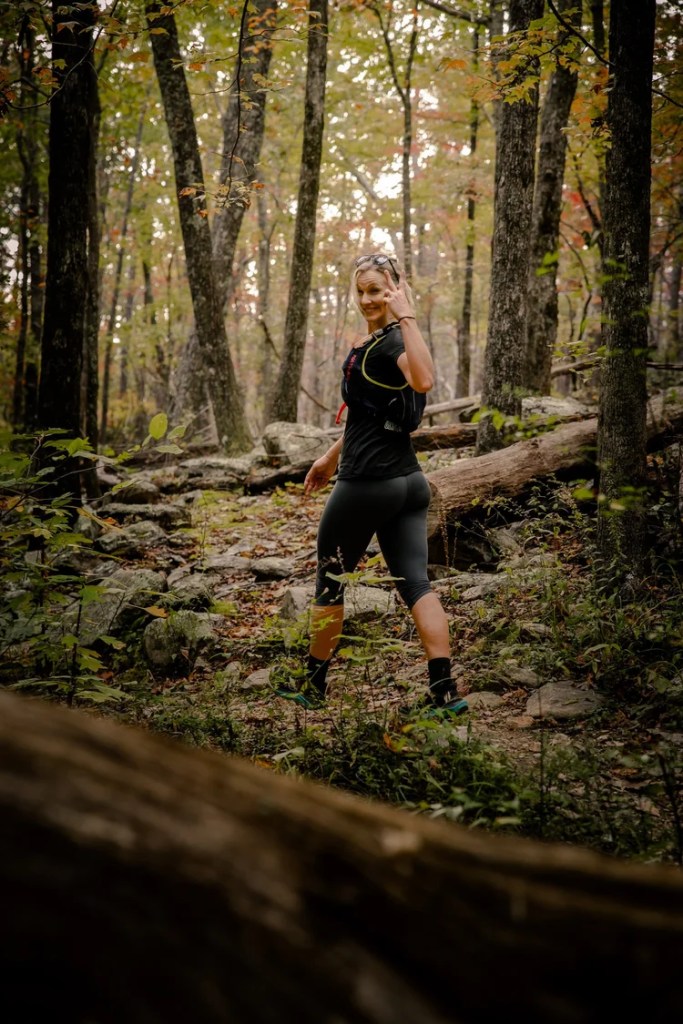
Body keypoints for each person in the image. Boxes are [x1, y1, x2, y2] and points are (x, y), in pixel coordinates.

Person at [278, 252, 468, 717]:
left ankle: (313, 686)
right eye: (361, 291)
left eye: (377, 290)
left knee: (330, 579)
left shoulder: (394, 342)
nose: (367, 299)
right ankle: (444, 692)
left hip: (368, 483)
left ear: (395, 290)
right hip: (410, 484)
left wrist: (407, 315)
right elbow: (368, 416)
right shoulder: (382, 342)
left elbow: (424, 380)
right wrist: (329, 456)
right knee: (416, 584)